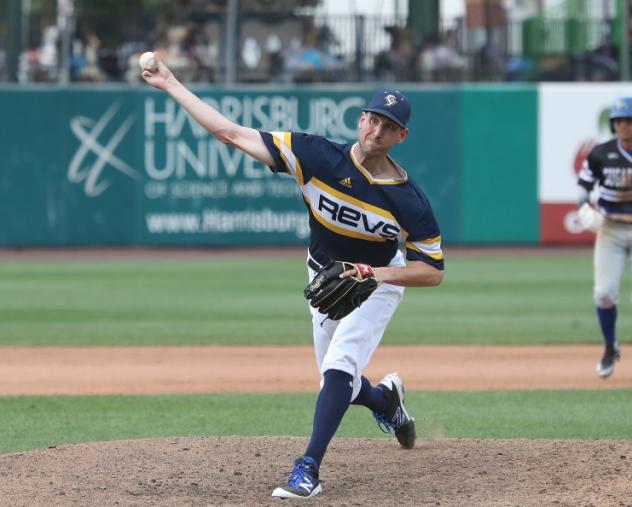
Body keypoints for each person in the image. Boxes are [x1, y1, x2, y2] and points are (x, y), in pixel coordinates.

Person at [141, 57, 444, 499]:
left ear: (402, 136)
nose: (376, 131)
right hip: (324, 276)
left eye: (388, 125)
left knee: (340, 366)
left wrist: (375, 274)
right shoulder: (316, 155)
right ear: (361, 119)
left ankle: (308, 469)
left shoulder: (409, 202)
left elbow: (432, 271)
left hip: (378, 282)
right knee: (335, 379)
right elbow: (230, 132)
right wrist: (170, 84)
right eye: (372, 119)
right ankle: (386, 403)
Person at [577, 96, 632, 379]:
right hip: (611, 228)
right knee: (604, 294)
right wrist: (584, 208)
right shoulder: (600, 153)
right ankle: (610, 346)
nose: (624, 125)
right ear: (613, 124)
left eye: (629, 120)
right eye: (619, 121)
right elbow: (584, 188)